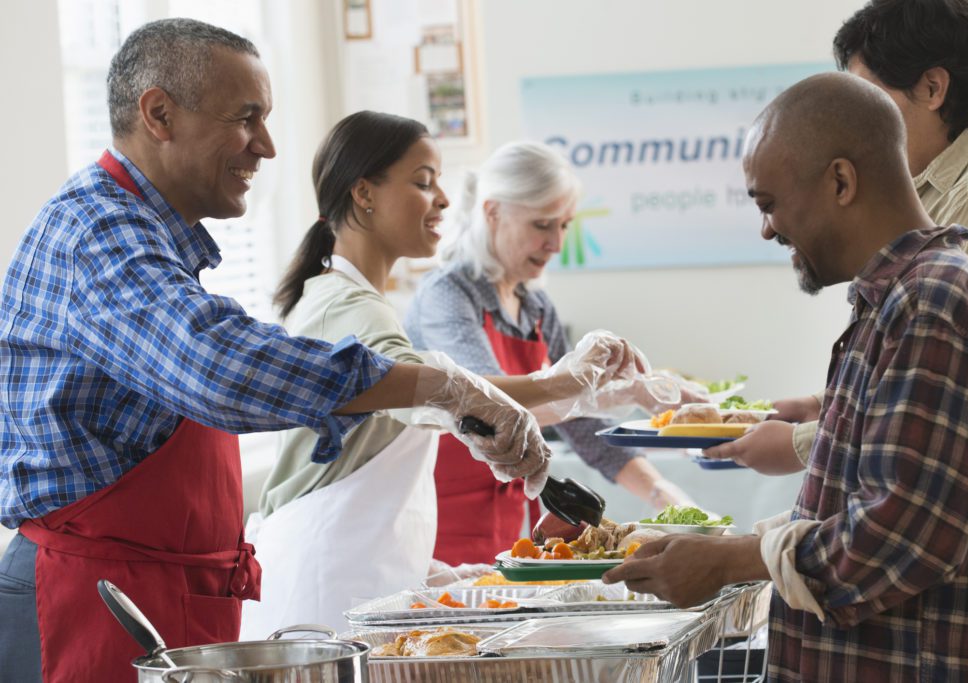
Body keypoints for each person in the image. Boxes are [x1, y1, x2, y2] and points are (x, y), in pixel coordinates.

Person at [0, 21, 549, 683]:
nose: (266, 145)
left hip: (154, 597)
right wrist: (446, 386)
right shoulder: (99, 233)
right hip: (88, 606)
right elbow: (220, 368)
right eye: (246, 118)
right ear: (159, 114)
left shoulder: (159, 245)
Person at [606, 71, 968, 681]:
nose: (768, 230)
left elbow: (902, 537)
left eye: (769, 204)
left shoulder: (935, 300)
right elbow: (865, 502)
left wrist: (732, 563)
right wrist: (733, 551)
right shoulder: (892, 301)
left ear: (840, 181)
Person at [239, 112, 651, 636]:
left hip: (356, 576)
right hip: (326, 591)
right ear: (364, 193)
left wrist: (432, 574)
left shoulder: (355, 299)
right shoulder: (347, 305)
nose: (443, 200)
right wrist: (570, 380)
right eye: (422, 182)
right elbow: (426, 387)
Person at [704, 0, 968, 475]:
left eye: (867, 95)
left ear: (933, 88)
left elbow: (954, 399)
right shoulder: (957, 183)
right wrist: (824, 404)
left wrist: (802, 445)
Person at [405, 141, 705, 566]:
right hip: (442, 522)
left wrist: (664, 496)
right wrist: (626, 394)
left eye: (564, 226)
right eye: (543, 225)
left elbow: (584, 427)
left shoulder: (535, 307)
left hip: (511, 519)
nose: (556, 244)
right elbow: (491, 412)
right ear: (492, 212)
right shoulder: (447, 297)